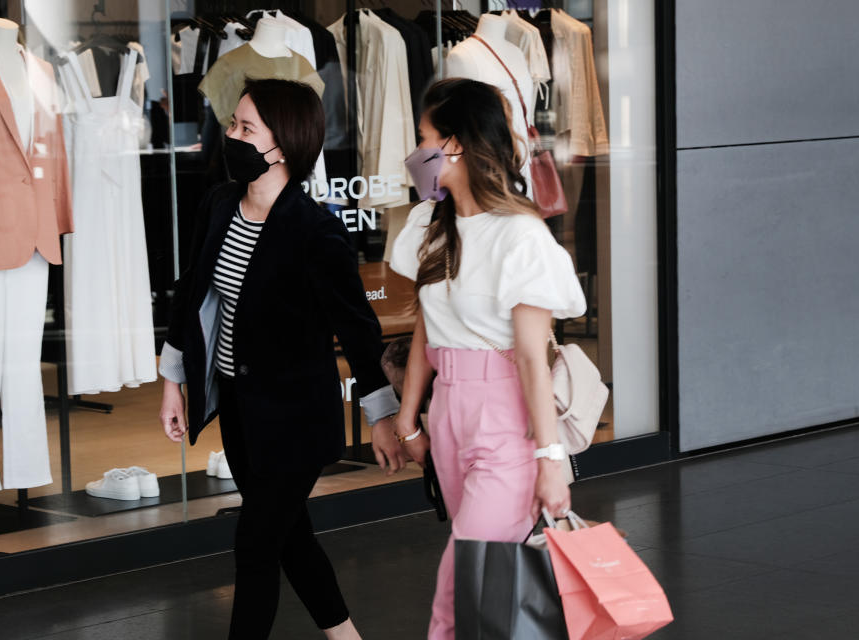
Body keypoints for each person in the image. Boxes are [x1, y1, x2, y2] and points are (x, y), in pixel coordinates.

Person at [157, 78, 406, 640]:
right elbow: (193, 289)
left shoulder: (316, 232)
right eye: (233, 124)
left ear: (284, 146)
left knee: (255, 543)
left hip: (295, 420)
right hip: (241, 411)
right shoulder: (221, 204)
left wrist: (382, 417)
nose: (231, 136)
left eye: (246, 128)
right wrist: (175, 379)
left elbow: (358, 332)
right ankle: (345, 636)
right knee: (288, 535)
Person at [388, 78, 587, 639]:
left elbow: (530, 356)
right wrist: (409, 417)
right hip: (449, 414)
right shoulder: (434, 225)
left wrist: (552, 459)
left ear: (455, 144)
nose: (417, 151)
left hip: (506, 422)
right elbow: (429, 320)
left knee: (460, 587)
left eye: (424, 138)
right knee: (487, 587)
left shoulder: (520, 236)